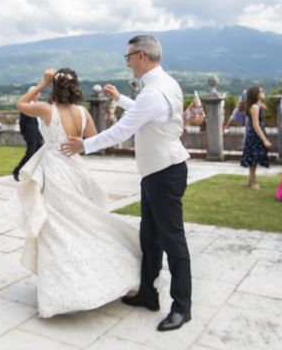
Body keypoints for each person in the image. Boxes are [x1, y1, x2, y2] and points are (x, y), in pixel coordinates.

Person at [61, 35, 192, 332]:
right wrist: (120, 99)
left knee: (173, 241)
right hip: (157, 172)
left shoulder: (153, 92)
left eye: (128, 57)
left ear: (141, 56)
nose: (128, 62)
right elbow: (146, 112)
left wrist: (85, 145)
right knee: (150, 237)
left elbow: (121, 131)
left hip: (164, 174)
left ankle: (182, 307)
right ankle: (148, 293)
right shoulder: (162, 85)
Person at [16, 68, 141, 318]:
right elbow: (93, 139)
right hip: (76, 169)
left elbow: (21, 103)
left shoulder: (46, 110)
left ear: (55, 87)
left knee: (56, 230)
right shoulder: (83, 112)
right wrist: (76, 144)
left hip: (54, 172)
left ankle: (65, 291)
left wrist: (42, 82)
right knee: (83, 224)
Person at [240, 86, 272, 189]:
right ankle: (253, 183)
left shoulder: (257, 106)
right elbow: (256, 125)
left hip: (254, 134)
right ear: (256, 94)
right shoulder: (255, 107)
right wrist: (265, 140)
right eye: (261, 91)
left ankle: (251, 181)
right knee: (253, 159)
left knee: (253, 159)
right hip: (255, 135)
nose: (263, 92)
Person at [12, 87, 44, 181]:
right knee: (30, 152)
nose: (39, 94)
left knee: (38, 153)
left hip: (38, 133)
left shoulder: (37, 105)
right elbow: (22, 121)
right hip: (30, 133)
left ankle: (33, 173)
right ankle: (17, 171)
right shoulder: (26, 105)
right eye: (37, 93)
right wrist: (25, 133)